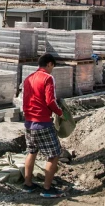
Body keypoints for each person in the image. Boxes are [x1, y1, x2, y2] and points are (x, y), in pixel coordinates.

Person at [22, 53, 66, 198]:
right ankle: (47, 189)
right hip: (43, 122)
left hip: (29, 122)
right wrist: (60, 113)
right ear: (49, 64)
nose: (52, 69)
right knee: (54, 154)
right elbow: (50, 101)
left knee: (31, 152)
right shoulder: (48, 78)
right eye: (52, 66)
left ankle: (27, 184)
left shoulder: (28, 78)